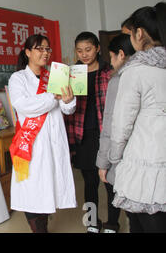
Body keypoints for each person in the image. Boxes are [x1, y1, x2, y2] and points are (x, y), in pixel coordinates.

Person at [8, 34, 76, 233]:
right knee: (32, 188)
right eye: (39, 48)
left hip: (54, 140)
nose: (45, 53)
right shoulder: (18, 78)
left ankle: (43, 225)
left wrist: (67, 99)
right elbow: (23, 105)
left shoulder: (56, 77)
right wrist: (52, 96)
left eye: (47, 49)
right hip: (31, 142)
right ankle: (39, 230)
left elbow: (68, 110)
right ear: (27, 52)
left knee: (49, 185)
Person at [109, 2, 166, 233]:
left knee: (143, 225)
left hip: (145, 168)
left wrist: (114, 158)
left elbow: (122, 124)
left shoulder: (135, 71)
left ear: (139, 33)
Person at [64, 31, 112, 233]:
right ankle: (92, 222)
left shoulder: (108, 72)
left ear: (98, 48)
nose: (84, 54)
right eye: (79, 50)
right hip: (82, 134)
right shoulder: (71, 74)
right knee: (90, 183)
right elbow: (65, 107)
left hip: (106, 135)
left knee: (110, 183)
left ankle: (113, 223)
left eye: (88, 49)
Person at [96, 33, 135, 233]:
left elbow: (110, 124)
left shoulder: (118, 80)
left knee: (133, 211)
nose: (110, 62)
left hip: (125, 157)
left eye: (111, 57)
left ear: (120, 55)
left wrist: (103, 163)